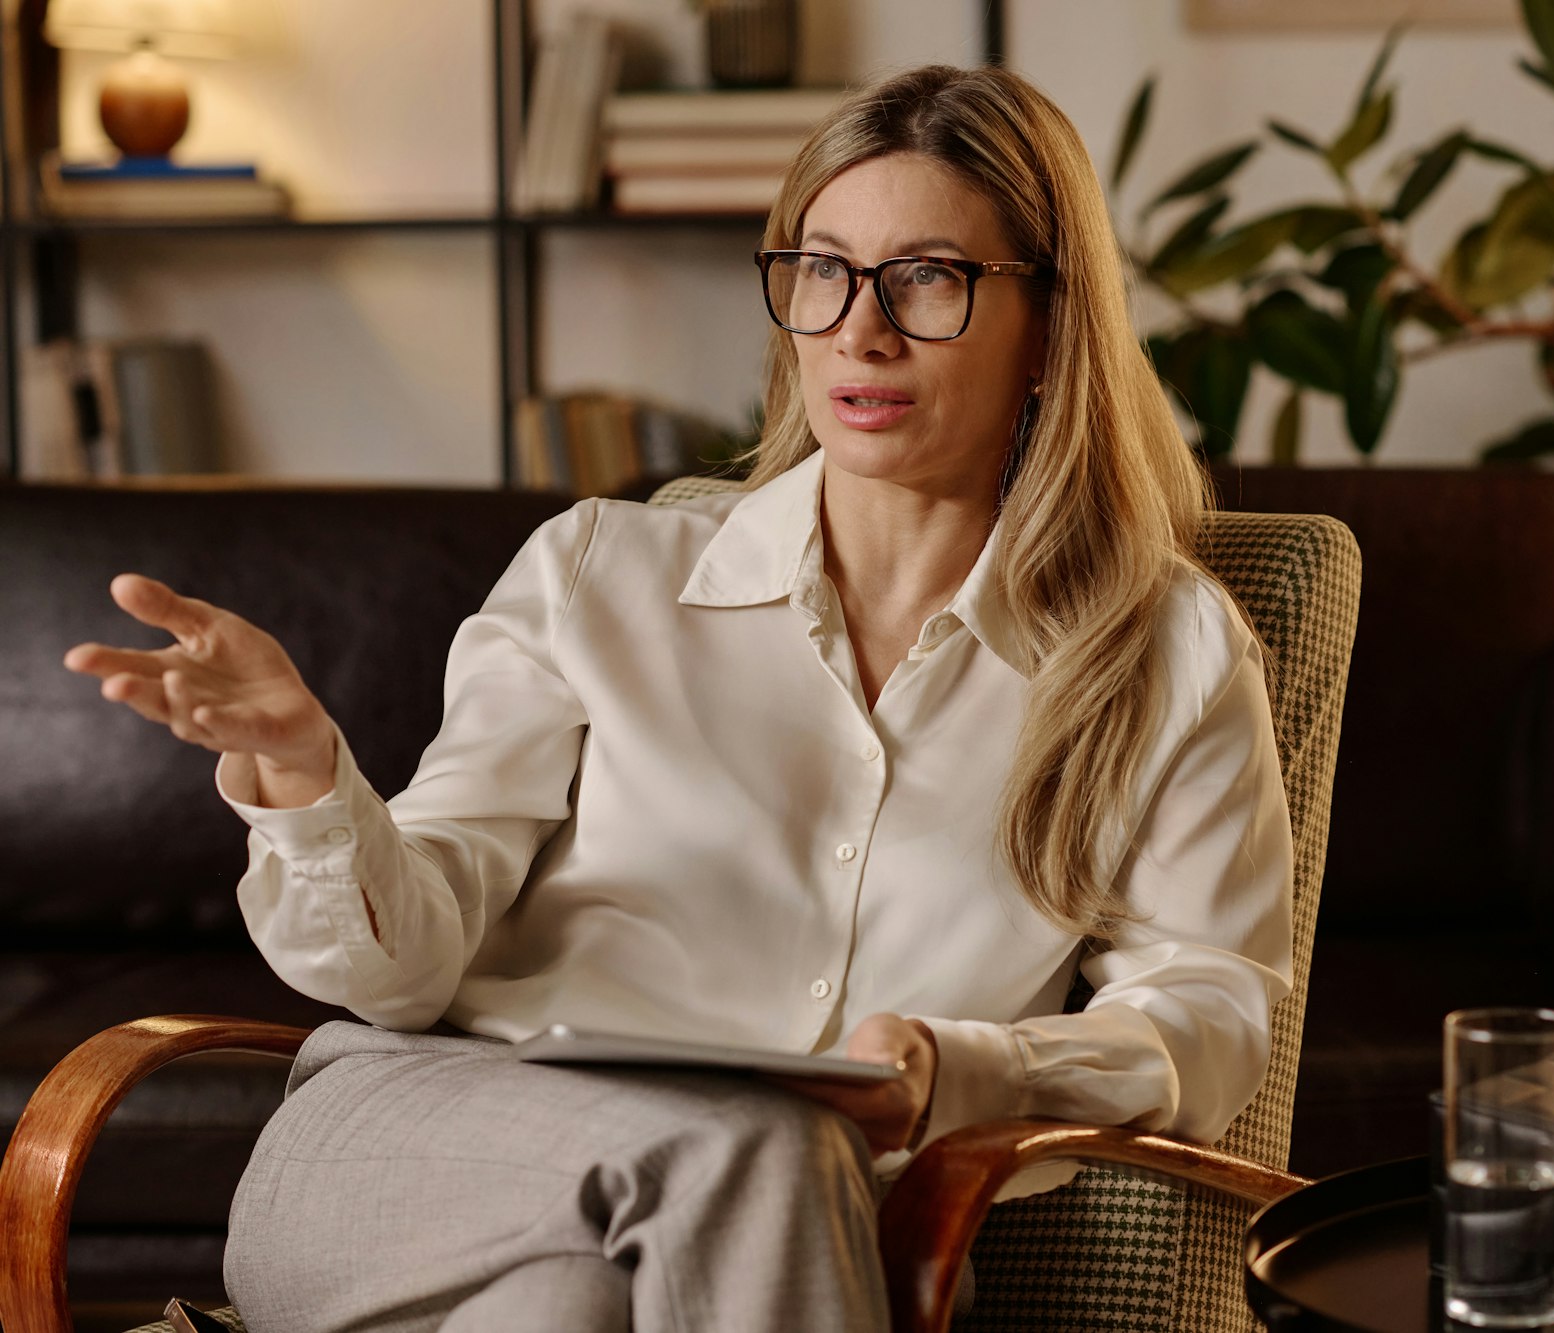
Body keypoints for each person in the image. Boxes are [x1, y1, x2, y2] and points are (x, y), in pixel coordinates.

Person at [60, 62, 1294, 1333]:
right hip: (416, 1150)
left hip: (789, 1232)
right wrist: (309, 780)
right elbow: (405, 960)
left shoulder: (1159, 653)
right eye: (823, 270)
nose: (860, 330)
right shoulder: (602, 569)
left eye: (928, 278)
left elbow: (1206, 1013)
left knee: (582, 1303)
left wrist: (953, 1072)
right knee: (766, 1144)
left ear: (1048, 324)